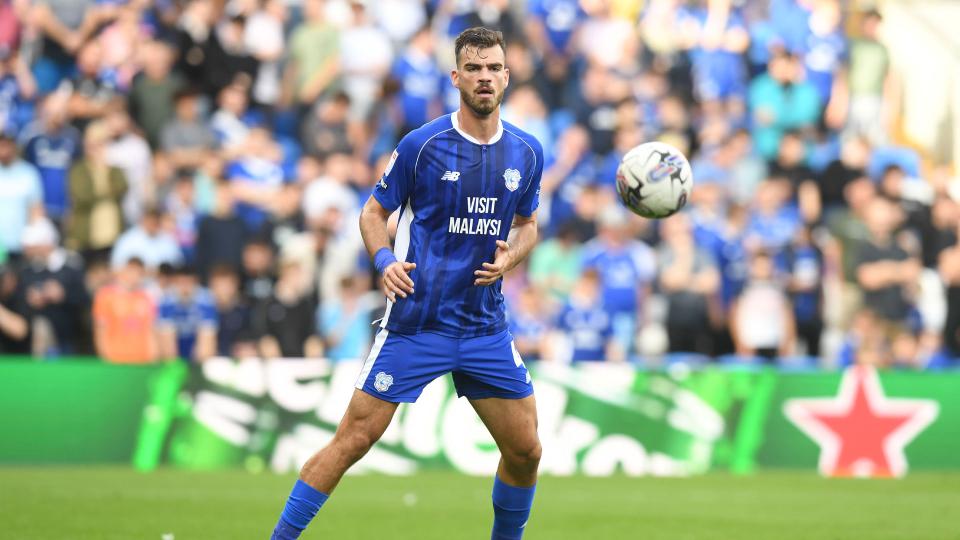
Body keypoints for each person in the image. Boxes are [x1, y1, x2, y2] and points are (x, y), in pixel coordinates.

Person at [270, 27, 544, 540]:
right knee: (353, 440)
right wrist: (381, 258)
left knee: (526, 450)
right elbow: (374, 212)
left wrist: (513, 255)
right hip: (417, 323)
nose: (485, 77)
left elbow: (528, 225)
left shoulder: (527, 152)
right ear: (456, 76)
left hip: (485, 327)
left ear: (506, 76)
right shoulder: (423, 146)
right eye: (475, 68)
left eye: (494, 68)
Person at [92, 257, 157, 363]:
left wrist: (152, 356)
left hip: (142, 358)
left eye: (139, 272)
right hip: (115, 357)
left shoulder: (146, 297)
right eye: (131, 270)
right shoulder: (105, 295)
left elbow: (150, 330)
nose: (135, 275)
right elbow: (100, 329)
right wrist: (104, 355)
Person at [157, 264, 218, 362]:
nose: (185, 288)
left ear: (196, 283)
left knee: (207, 342)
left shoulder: (206, 300)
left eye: (189, 283)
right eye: (181, 283)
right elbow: (166, 337)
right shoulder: (167, 301)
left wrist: (200, 360)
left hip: (195, 341)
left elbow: (208, 334)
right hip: (176, 341)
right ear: (175, 283)